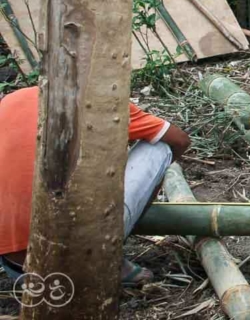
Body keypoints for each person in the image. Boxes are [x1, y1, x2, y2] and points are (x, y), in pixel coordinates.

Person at [0, 86, 191, 286]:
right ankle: (108, 257)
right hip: (78, 260)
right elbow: (179, 140)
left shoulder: (12, 100)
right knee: (160, 147)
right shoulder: (97, 97)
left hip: (16, 266)